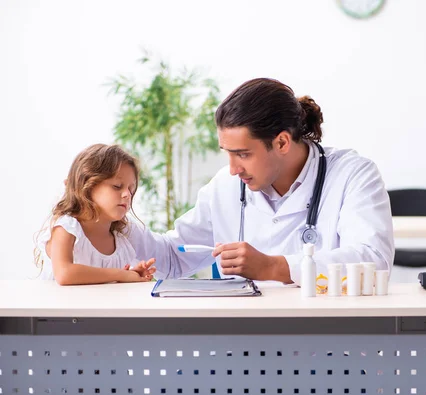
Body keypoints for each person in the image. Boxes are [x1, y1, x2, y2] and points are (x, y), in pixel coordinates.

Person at [129, 78, 394, 284]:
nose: (233, 169)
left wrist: (272, 267)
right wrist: (121, 226)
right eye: (228, 154)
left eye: (243, 154)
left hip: (328, 342)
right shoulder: (225, 186)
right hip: (243, 342)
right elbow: (175, 257)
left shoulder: (352, 175)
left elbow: (373, 261)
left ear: (281, 142)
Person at [35, 144, 156, 285]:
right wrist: (121, 275)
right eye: (117, 186)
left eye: (131, 189)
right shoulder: (67, 228)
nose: (127, 195)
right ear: (87, 185)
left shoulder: (121, 243)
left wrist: (132, 275)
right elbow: (64, 274)